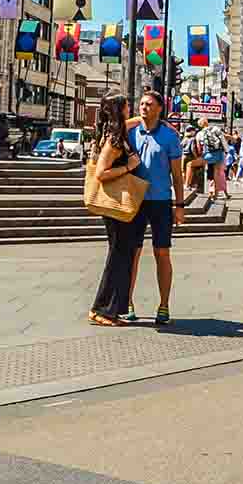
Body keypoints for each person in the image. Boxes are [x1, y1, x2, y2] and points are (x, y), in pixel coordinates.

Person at [124, 91, 184, 325]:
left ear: (160, 108)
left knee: (162, 253)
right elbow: (113, 127)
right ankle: (127, 303)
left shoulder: (170, 137)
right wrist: (137, 120)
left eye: (149, 104)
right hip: (135, 201)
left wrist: (179, 205)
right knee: (133, 253)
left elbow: (177, 176)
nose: (143, 107)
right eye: (141, 104)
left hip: (161, 201)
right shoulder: (131, 133)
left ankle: (164, 305)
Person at [87, 93, 142, 327]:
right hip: (115, 204)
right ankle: (101, 309)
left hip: (117, 205)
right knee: (118, 255)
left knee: (123, 254)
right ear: (120, 110)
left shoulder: (111, 131)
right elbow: (101, 173)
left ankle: (112, 309)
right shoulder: (113, 139)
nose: (131, 108)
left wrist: (152, 120)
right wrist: (128, 167)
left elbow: (131, 122)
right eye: (127, 106)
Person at [200, 119, 229, 200]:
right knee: (217, 175)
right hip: (218, 153)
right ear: (207, 122)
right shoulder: (215, 129)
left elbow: (200, 145)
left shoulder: (201, 133)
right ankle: (216, 194)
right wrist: (227, 150)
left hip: (208, 155)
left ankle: (211, 193)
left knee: (211, 175)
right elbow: (223, 139)